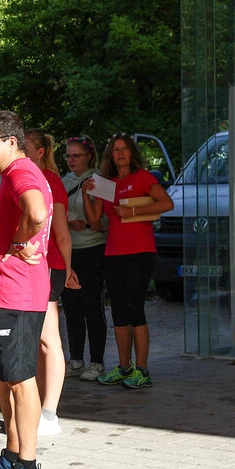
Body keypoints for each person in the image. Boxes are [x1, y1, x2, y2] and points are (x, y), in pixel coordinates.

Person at [0, 110, 52, 469]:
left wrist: (19, 242)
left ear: (11, 142)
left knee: (20, 379)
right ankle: (13, 452)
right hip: (2, 294)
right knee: (1, 375)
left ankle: (28, 466)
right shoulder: (10, 175)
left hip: (16, 295)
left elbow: (36, 212)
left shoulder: (22, 172)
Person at [82, 134, 174, 389]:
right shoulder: (107, 184)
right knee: (119, 311)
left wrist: (132, 211)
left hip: (140, 251)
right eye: (116, 150)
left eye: (124, 149)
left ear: (132, 152)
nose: (120, 153)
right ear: (110, 155)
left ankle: (142, 370)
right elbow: (95, 221)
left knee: (135, 309)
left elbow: (167, 203)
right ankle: (124, 367)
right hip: (114, 253)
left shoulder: (143, 177)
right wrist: (86, 194)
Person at [24, 129, 80, 438]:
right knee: (36, 342)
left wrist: (68, 270)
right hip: (34, 267)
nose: (21, 152)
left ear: (41, 151)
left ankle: (49, 414)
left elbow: (62, 234)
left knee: (49, 340)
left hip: (48, 267)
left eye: (26, 147)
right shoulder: (29, 178)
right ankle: (39, 410)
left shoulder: (51, 181)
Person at [60, 135, 108, 381]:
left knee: (92, 306)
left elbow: (108, 221)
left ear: (89, 156)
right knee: (71, 307)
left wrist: (87, 224)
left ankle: (97, 362)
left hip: (92, 249)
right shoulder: (63, 181)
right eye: (68, 155)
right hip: (68, 251)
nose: (71, 160)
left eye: (76, 155)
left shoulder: (100, 180)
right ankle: (76, 359)